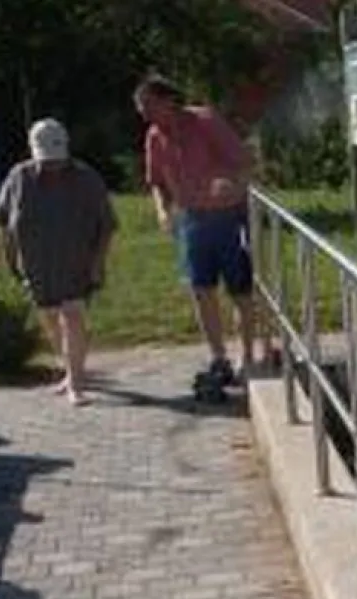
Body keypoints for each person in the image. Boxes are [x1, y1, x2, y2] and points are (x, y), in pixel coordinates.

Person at [134, 75, 257, 386]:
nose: (145, 114)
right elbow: (157, 182)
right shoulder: (154, 137)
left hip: (229, 217)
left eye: (149, 106)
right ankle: (219, 356)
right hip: (192, 219)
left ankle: (247, 354)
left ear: (168, 101)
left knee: (240, 289)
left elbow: (244, 163)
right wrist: (163, 211)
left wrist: (230, 183)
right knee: (201, 290)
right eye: (140, 109)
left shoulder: (205, 121)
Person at [0, 119, 116, 406]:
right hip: (35, 264)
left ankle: (76, 383)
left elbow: (107, 225)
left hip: (76, 262)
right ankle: (70, 368)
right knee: (49, 316)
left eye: (56, 161)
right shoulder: (18, 178)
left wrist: (98, 262)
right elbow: (2, 222)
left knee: (72, 315)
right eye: (46, 161)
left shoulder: (86, 178)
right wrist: (7, 257)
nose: (52, 167)